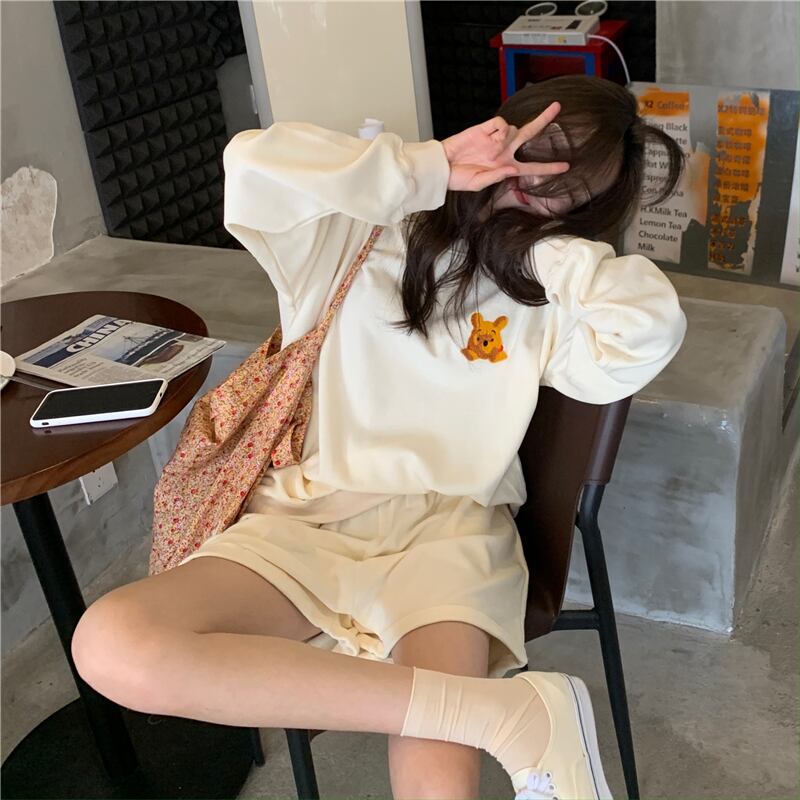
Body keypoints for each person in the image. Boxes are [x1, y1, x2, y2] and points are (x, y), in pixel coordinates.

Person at [71, 76, 687, 800]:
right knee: (110, 645)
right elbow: (252, 165)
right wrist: (430, 168)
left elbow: (649, 329)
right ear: (508, 126)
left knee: (437, 789)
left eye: (572, 189)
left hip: (450, 537)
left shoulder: (549, 299)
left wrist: (543, 250)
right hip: (307, 518)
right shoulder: (354, 235)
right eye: (541, 152)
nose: (538, 184)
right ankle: (509, 715)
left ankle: (506, 717)